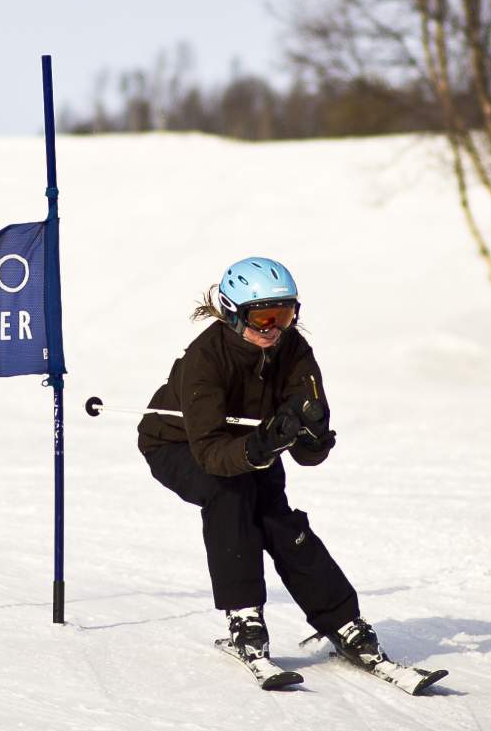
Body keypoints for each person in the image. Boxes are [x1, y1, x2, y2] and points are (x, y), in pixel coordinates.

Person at [136, 256, 388, 677]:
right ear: (234, 315)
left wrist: (313, 434)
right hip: (179, 444)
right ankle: (244, 616)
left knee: (278, 520)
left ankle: (342, 620)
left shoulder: (293, 349)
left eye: (285, 314)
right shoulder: (206, 358)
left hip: (254, 445)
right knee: (229, 497)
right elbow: (211, 454)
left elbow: (309, 457)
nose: (274, 328)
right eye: (263, 317)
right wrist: (262, 446)